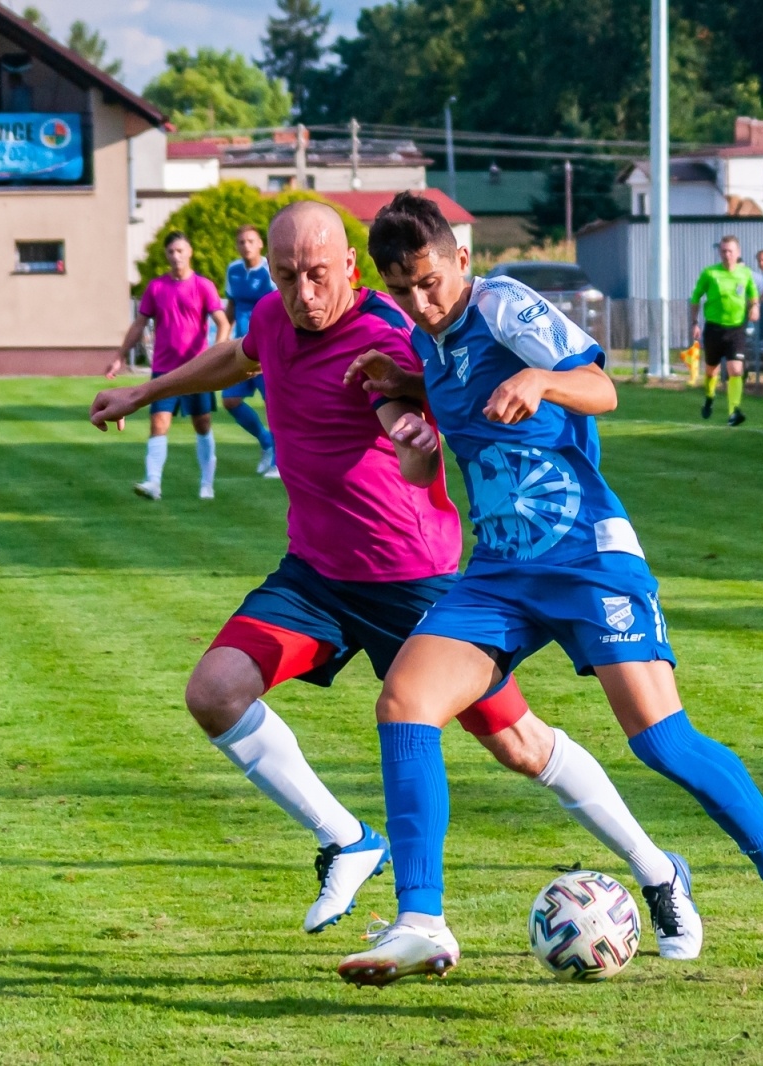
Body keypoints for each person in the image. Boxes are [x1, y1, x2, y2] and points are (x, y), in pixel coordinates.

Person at [88, 200, 702, 958]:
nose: (304, 294)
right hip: (314, 576)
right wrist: (144, 393)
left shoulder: (389, 330)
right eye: (286, 278)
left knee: (519, 745)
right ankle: (346, 840)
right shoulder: (279, 321)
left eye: (318, 275)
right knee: (214, 692)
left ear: (350, 267)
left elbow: (414, 409)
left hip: (414, 581)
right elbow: (242, 355)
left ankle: (656, 869)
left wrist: (410, 429)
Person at [334, 191, 763, 986]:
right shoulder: (424, 343)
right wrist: (404, 386)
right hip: (500, 573)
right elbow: (447, 410)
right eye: (401, 289)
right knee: (404, 701)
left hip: (587, 558)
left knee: (662, 743)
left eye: (430, 281)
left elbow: (602, 388)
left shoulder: (503, 302)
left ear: (461, 261)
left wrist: (541, 379)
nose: (420, 301)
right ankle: (421, 921)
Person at [106, 231, 229, 500]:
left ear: (190, 252)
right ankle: (153, 483)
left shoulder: (203, 286)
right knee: (158, 422)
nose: (176, 256)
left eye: (181, 251)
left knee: (203, 423)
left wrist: (216, 353)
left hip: (197, 370)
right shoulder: (156, 288)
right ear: (167, 255)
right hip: (164, 368)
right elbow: (139, 325)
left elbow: (222, 322)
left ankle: (207, 483)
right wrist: (120, 356)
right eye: (171, 252)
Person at [222, 224, 280, 477]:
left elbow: (282, 309)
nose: (246, 246)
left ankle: (279, 462)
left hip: (268, 349)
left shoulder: (270, 271)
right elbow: (231, 307)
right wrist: (222, 339)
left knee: (275, 407)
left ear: (260, 245)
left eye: (250, 241)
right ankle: (266, 442)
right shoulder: (233, 270)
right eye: (241, 241)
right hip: (241, 348)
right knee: (230, 400)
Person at [688, 236, 760, 425]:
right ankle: (709, 397)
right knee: (712, 370)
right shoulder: (710, 273)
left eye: (730, 251)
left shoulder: (745, 274)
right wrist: (694, 322)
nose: (727, 254)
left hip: (736, 328)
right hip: (714, 328)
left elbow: (753, 295)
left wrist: (755, 307)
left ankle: (733, 411)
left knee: (736, 369)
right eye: (723, 251)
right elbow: (695, 297)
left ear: (738, 253)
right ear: (720, 253)